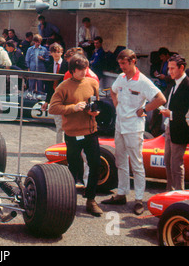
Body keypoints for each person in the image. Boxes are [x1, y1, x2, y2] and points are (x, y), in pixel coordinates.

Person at [103, 49, 166, 215]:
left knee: (137, 163)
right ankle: (122, 193)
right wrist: (117, 106)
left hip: (134, 127)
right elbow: (113, 91)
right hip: (120, 125)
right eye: (120, 64)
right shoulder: (121, 78)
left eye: (124, 63)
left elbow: (161, 99)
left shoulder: (143, 81)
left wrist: (145, 108)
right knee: (120, 160)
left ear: (133, 62)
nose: (121, 67)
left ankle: (139, 199)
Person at [48, 54, 103, 217]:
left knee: (95, 165)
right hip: (72, 134)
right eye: (80, 70)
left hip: (90, 131)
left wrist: (95, 112)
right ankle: (68, 200)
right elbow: (53, 108)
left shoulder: (93, 82)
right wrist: (73, 107)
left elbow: (96, 103)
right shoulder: (64, 86)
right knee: (74, 168)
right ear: (72, 71)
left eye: (86, 69)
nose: (84, 72)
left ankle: (91, 200)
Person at [160, 54, 189, 191]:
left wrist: (170, 114)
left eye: (172, 68)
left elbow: (186, 113)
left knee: (176, 164)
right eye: (169, 68)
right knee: (168, 161)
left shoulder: (187, 85)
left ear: (181, 68)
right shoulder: (173, 84)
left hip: (181, 130)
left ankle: (179, 195)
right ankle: (169, 192)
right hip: (170, 127)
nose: (169, 71)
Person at [43, 43, 68, 143]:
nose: (56, 54)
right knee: (59, 126)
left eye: (58, 52)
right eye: (54, 52)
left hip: (66, 99)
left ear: (61, 53)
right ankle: (59, 147)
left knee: (67, 126)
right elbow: (48, 86)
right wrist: (47, 101)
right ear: (51, 53)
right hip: (55, 98)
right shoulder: (49, 67)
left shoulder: (67, 65)